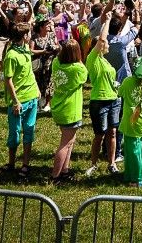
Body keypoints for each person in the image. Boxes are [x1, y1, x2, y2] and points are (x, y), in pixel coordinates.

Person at [0, 22, 39, 178]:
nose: (30, 36)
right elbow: (8, 80)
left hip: (32, 97)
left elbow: (30, 71)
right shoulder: (11, 55)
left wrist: (36, 89)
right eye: (29, 33)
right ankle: (11, 163)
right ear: (24, 36)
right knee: (15, 133)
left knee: (29, 130)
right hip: (19, 101)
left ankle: (25, 164)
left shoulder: (26, 50)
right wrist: (16, 101)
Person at [85, 11, 121, 176]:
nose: (107, 44)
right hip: (99, 100)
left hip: (113, 99)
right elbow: (102, 39)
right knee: (99, 135)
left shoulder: (105, 61)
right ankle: (93, 163)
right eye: (105, 43)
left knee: (112, 132)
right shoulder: (94, 58)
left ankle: (111, 163)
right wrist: (106, 21)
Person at [49, 39, 87, 184]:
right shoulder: (77, 69)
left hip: (59, 106)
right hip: (70, 110)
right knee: (65, 144)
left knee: (70, 141)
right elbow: (84, 73)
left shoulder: (56, 63)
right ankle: (55, 175)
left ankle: (65, 169)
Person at [119, 57, 142, 187]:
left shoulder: (127, 81)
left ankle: (136, 178)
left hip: (132, 120)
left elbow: (120, 93)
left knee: (134, 149)